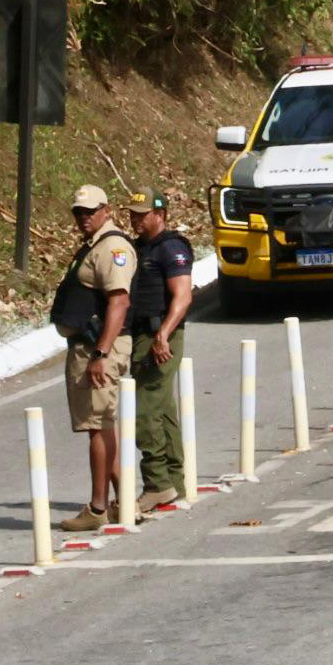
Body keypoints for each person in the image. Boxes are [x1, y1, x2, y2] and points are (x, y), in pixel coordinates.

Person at [49, 185, 136, 531]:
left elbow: (119, 302)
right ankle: (125, 502)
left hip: (98, 348)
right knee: (101, 425)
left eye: (90, 211)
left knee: (98, 427)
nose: (83, 217)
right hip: (88, 346)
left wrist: (101, 353)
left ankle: (98, 507)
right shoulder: (95, 244)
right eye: (78, 212)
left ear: (106, 210)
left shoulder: (113, 247)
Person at [126, 188, 194, 513]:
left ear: (160, 215)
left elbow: (183, 296)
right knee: (162, 408)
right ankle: (174, 481)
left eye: (142, 214)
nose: (135, 219)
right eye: (132, 214)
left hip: (160, 335)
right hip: (142, 334)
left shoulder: (171, 248)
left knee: (144, 409)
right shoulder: (138, 248)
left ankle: (156, 484)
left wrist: (163, 334)